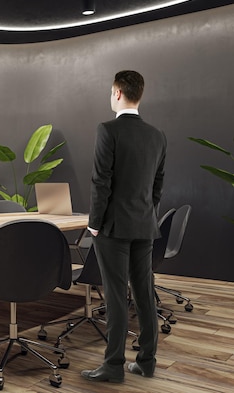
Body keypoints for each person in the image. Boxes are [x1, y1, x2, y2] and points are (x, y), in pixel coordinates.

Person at [81, 70, 166, 383]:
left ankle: (113, 366)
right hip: (145, 225)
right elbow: (158, 186)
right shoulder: (158, 135)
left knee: (115, 295)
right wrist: (147, 213)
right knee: (144, 292)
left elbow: (100, 180)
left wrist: (94, 223)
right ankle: (147, 362)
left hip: (113, 228)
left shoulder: (108, 129)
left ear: (117, 93)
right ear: (138, 94)